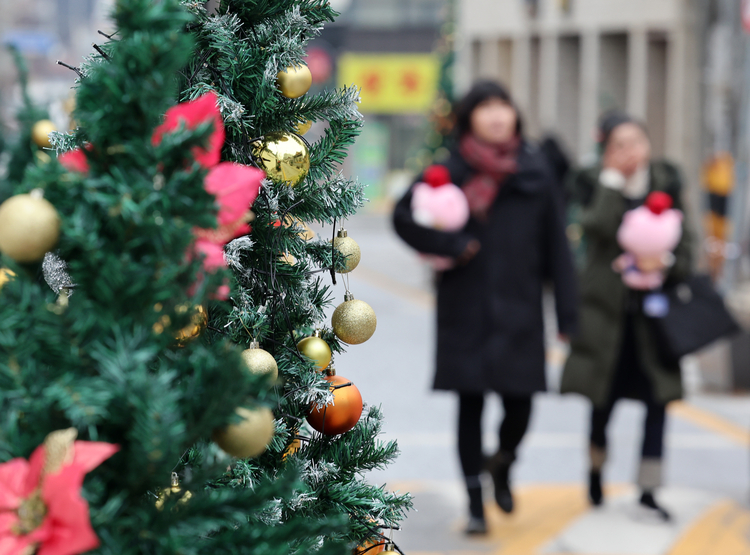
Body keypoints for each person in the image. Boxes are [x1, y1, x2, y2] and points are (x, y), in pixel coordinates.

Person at [392, 81, 578, 534]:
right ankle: (475, 503)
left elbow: (558, 245)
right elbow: (402, 216)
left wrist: (568, 315)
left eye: (504, 107)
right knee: (469, 405)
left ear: (515, 115)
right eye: (486, 108)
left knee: (522, 403)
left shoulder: (535, 170)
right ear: (469, 116)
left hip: (520, 306)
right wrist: (452, 245)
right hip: (466, 305)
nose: (497, 116)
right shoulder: (450, 167)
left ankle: (504, 462)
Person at [561, 112, 694, 521]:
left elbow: (687, 253)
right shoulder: (597, 187)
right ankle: (596, 470)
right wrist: (611, 185)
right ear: (606, 153)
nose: (630, 152)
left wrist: (663, 262)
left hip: (653, 323)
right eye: (619, 145)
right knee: (603, 401)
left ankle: (649, 488)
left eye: (636, 141)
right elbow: (596, 228)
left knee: (659, 401)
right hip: (608, 319)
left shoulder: (666, 186)